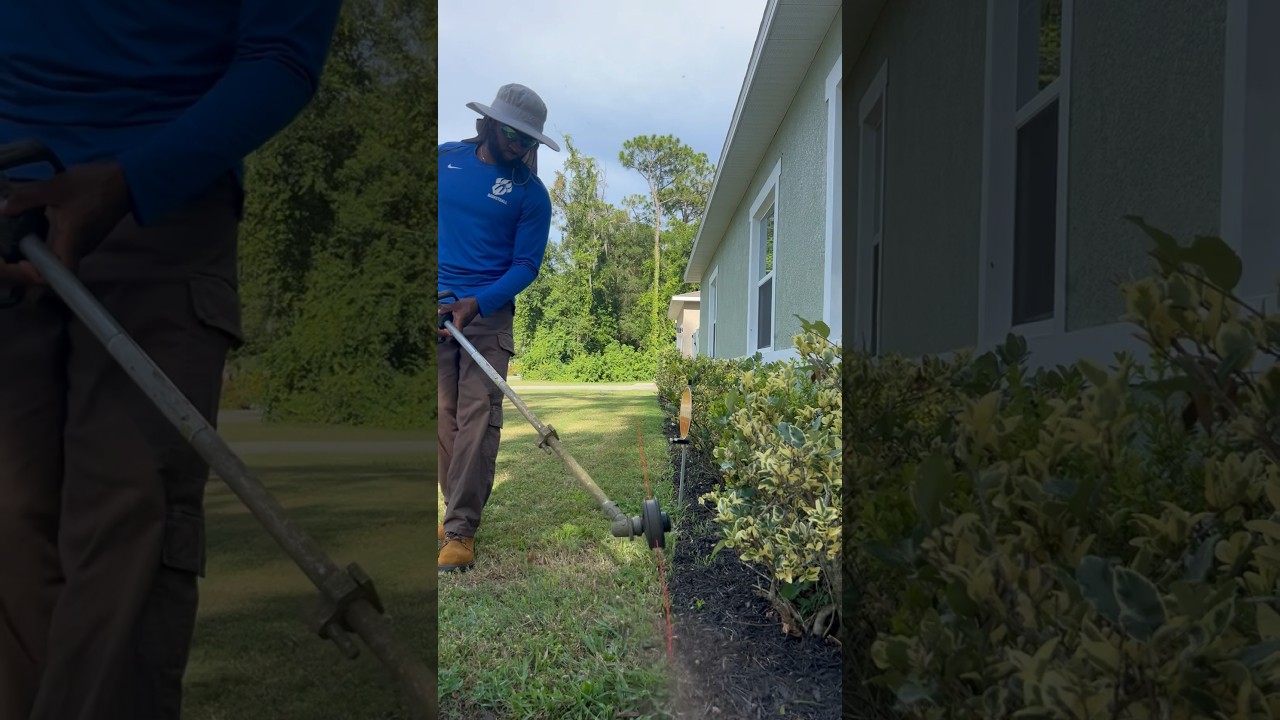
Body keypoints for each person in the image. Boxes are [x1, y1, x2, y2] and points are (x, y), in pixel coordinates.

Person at [0, 3, 343, 718]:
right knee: (10, 522)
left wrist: (133, 179)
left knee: (128, 516)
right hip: (6, 197)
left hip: (163, 201)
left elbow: (281, 54)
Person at [437, 84, 558, 573]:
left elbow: (526, 265)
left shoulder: (532, 196)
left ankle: (460, 529)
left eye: (528, 140)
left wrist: (478, 302)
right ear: (489, 123)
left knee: (476, 413)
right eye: (512, 134)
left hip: (487, 316)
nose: (519, 146)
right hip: (438, 309)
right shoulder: (445, 160)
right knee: (441, 414)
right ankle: (454, 515)